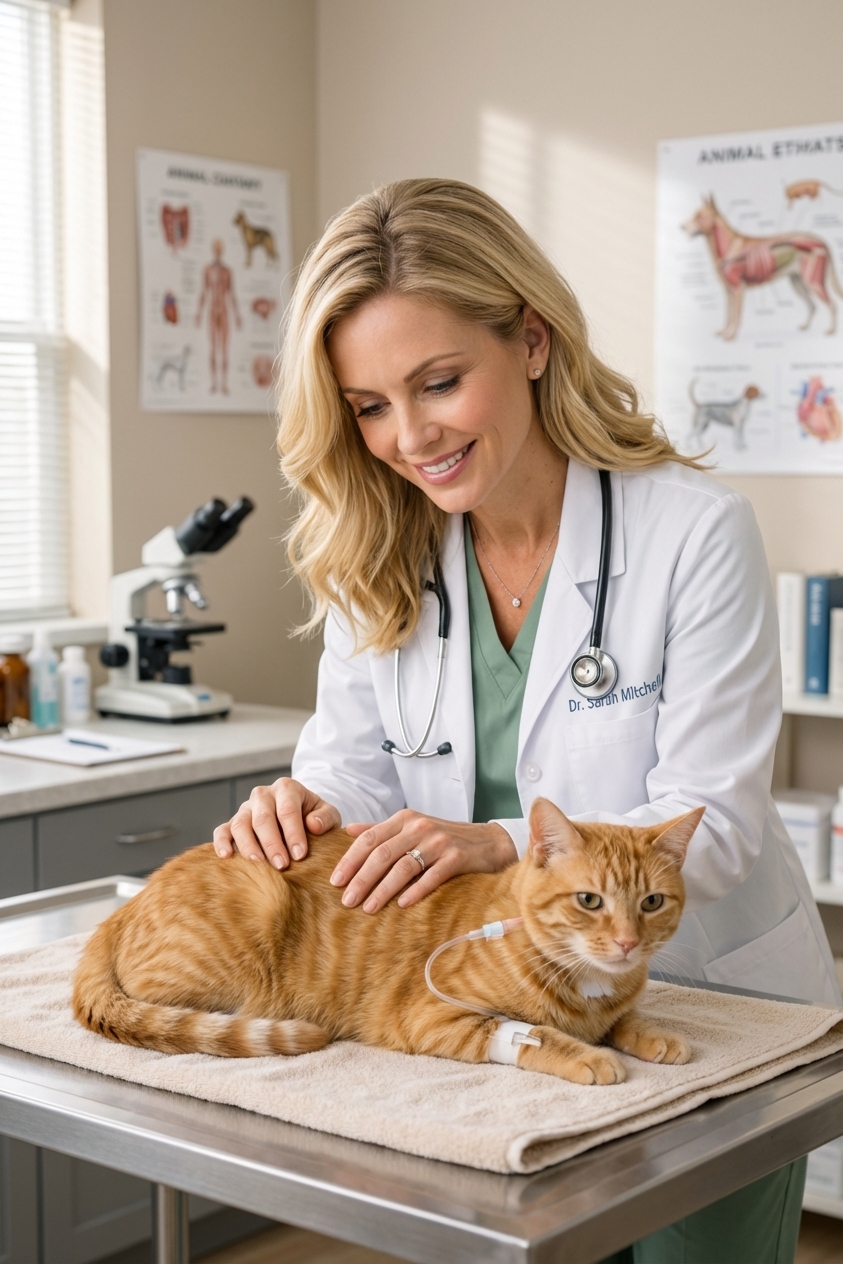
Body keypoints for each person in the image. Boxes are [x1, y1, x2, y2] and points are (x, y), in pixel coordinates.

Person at [212, 179, 839, 1263]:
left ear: (533, 340)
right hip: (494, 1012)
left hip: (697, 1001)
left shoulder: (694, 533)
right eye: (368, 406)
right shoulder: (380, 551)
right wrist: (304, 808)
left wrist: (501, 843)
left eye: (439, 382)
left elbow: (719, 824)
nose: (408, 437)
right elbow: (354, 772)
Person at [195, 238, 241, 393]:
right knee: (214, 348)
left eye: (220, 249)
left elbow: (231, 294)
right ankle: (214, 383)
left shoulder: (227, 272)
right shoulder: (207, 270)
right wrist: (199, 314)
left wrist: (237, 315)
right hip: (212, 311)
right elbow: (204, 292)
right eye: (216, 249)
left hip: (224, 310)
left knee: (225, 349)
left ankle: (224, 384)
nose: (218, 251)